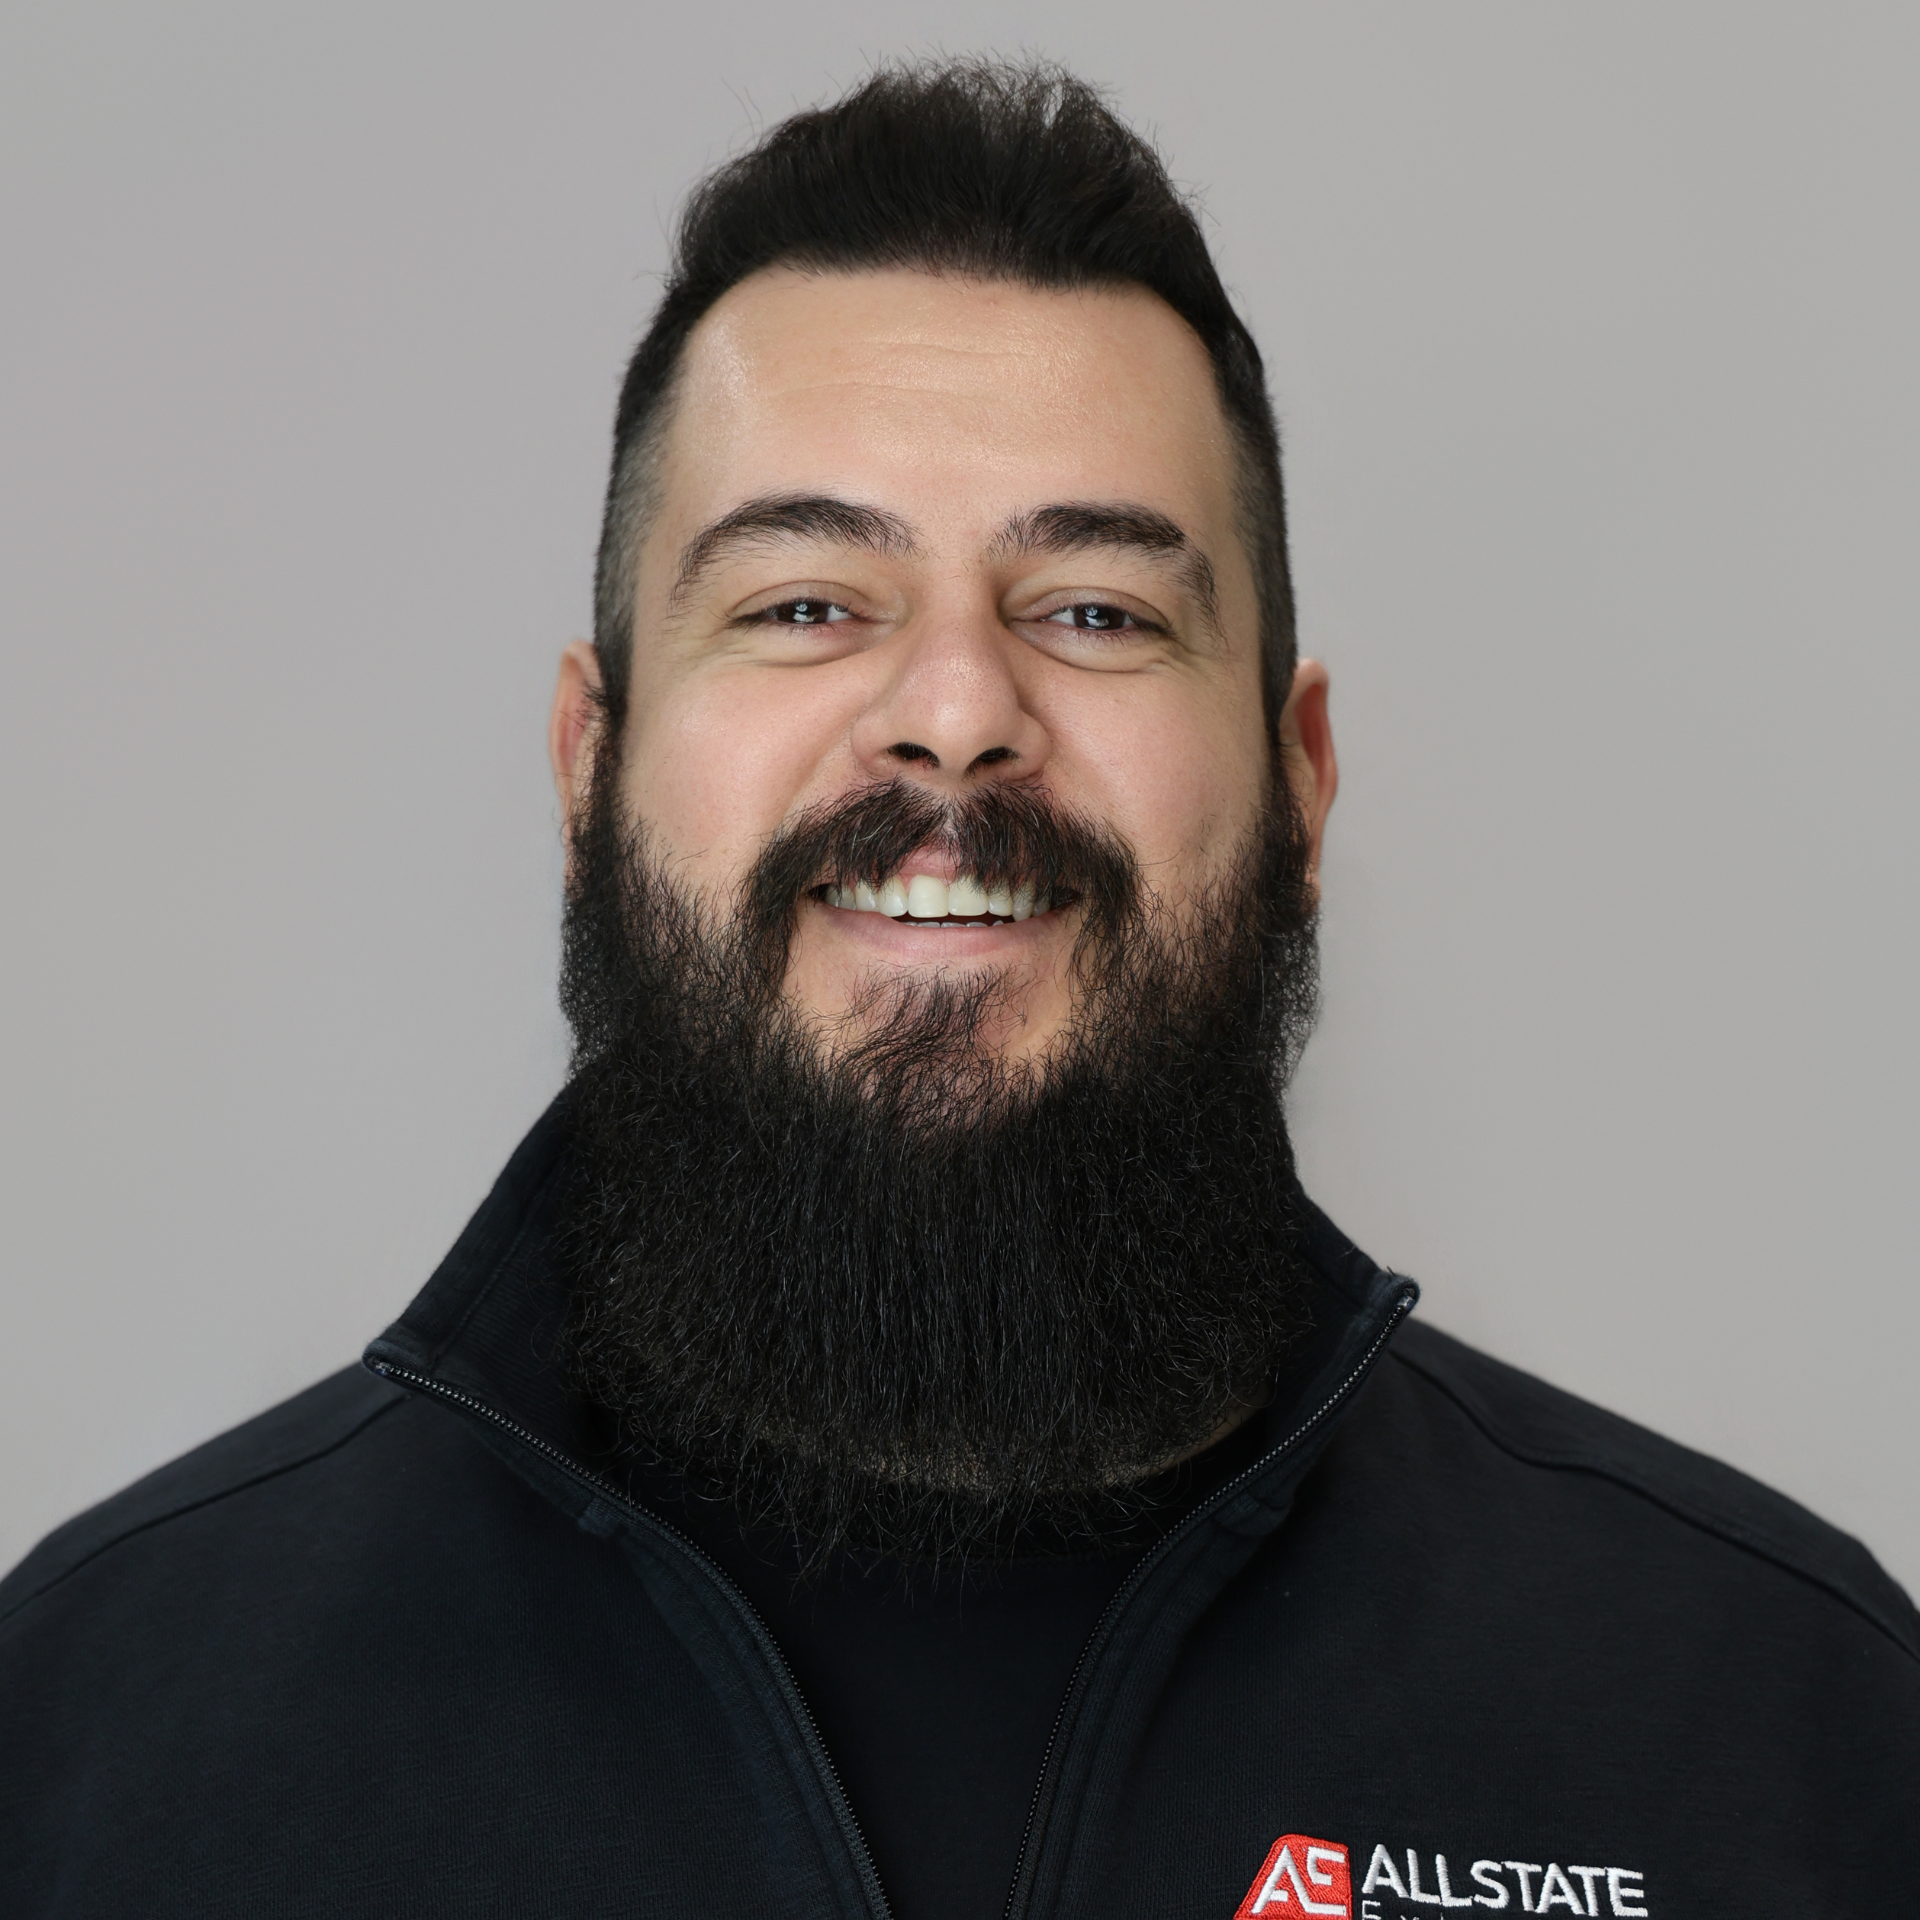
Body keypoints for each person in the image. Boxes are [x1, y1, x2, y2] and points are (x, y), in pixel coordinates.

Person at [2, 59, 1913, 1920]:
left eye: (1095, 610)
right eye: (807, 602)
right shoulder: (93, 1729)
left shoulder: (1786, 1718)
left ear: (1300, 783)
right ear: (589, 770)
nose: (954, 718)